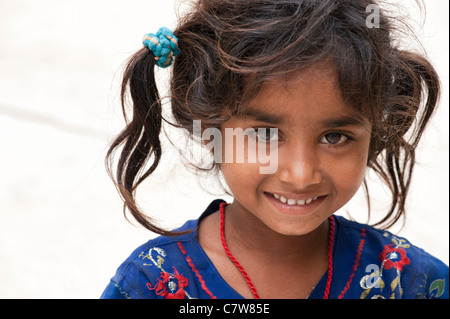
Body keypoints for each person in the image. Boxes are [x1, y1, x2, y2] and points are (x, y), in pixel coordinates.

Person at [101, 0, 448, 299]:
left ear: (374, 135)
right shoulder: (151, 284)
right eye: (266, 134)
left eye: (334, 137)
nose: (300, 174)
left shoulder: (405, 280)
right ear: (209, 129)